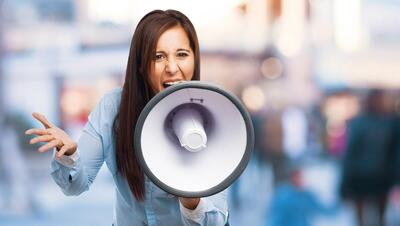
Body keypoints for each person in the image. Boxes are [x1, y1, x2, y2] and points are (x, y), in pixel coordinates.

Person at [25, 9, 228, 226]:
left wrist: (191, 202)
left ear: (195, 58)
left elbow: (215, 221)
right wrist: (69, 154)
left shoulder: (213, 111)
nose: (172, 68)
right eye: (158, 57)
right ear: (140, 65)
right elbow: (74, 186)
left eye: (182, 54)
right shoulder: (114, 108)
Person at [340, 89, 396, 226]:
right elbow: (351, 152)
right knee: (367, 216)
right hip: (367, 174)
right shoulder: (364, 123)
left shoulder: (389, 124)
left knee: (378, 215)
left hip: (379, 175)